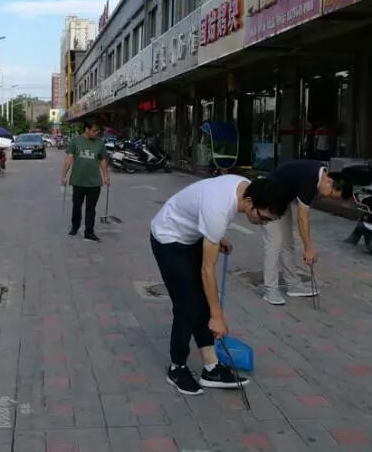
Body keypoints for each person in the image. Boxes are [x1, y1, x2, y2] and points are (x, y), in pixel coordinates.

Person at [151, 175, 287, 395]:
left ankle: (211, 368)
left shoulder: (245, 187)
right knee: (187, 305)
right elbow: (207, 270)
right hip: (168, 237)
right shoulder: (218, 209)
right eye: (263, 218)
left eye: (268, 221)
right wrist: (217, 317)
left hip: (192, 235)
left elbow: (205, 211)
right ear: (249, 202)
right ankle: (177, 368)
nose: (263, 224)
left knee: (202, 302)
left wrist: (215, 236)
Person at [262, 159, 353, 305]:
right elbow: (302, 218)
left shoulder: (320, 174)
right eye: (331, 195)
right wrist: (308, 248)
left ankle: (293, 285)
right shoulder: (310, 180)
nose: (326, 197)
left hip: (281, 201)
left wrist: (308, 247)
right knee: (274, 243)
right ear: (329, 181)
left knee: (287, 244)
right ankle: (270, 290)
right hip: (266, 198)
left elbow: (304, 217)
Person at [61, 119, 110, 242]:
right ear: (86, 129)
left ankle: (89, 232)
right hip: (78, 180)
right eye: (94, 130)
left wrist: (106, 176)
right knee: (76, 206)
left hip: (94, 182)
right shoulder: (75, 141)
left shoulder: (100, 143)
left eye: (98, 131)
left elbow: (103, 160)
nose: (96, 133)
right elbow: (69, 159)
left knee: (91, 208)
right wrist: (64, 176)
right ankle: (75, 227)